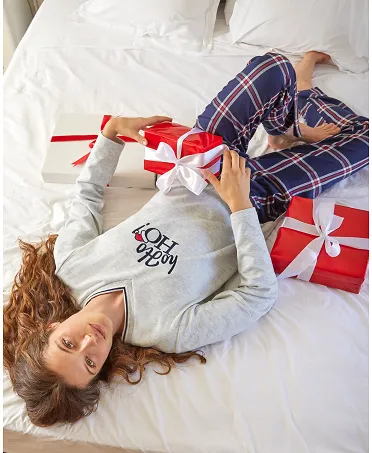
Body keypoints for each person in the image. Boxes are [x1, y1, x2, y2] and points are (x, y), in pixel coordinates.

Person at [4, 51, 368, 427]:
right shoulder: (170, 331)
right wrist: (241, 206)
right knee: (365, 139)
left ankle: (284, 124)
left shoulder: (72, 265)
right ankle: (302, 94)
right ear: (101, 369)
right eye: (90, 362)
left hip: (195, 163)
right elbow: (259, 295)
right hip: (257, 195)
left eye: (68, 343)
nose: (89, 342)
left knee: (273, 67)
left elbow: (88, 196)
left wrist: (112, 132)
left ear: (51, 328)